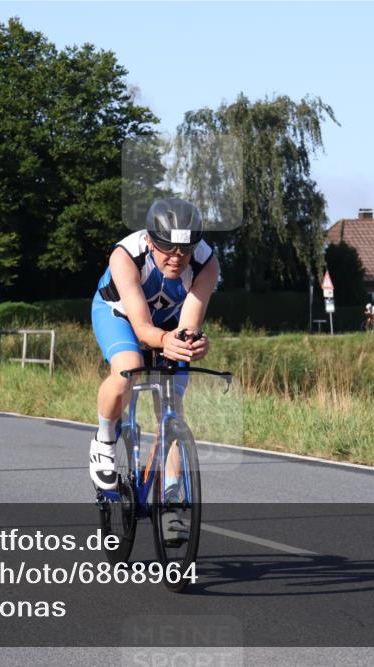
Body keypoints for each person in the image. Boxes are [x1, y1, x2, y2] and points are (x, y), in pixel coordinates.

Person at [89, 198, 219, 538]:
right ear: (150, 240)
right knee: (128, 368)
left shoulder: (206, 264)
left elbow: (188, 324)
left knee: (173, 407)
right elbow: (144, 329)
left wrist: (193, 343)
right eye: (167, 250)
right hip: (120, 315)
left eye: (184, 251)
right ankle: (103, 440)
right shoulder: (125, 256)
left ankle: (172, 494)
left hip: (167, 322)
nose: (176, 258)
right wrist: (165, 339)